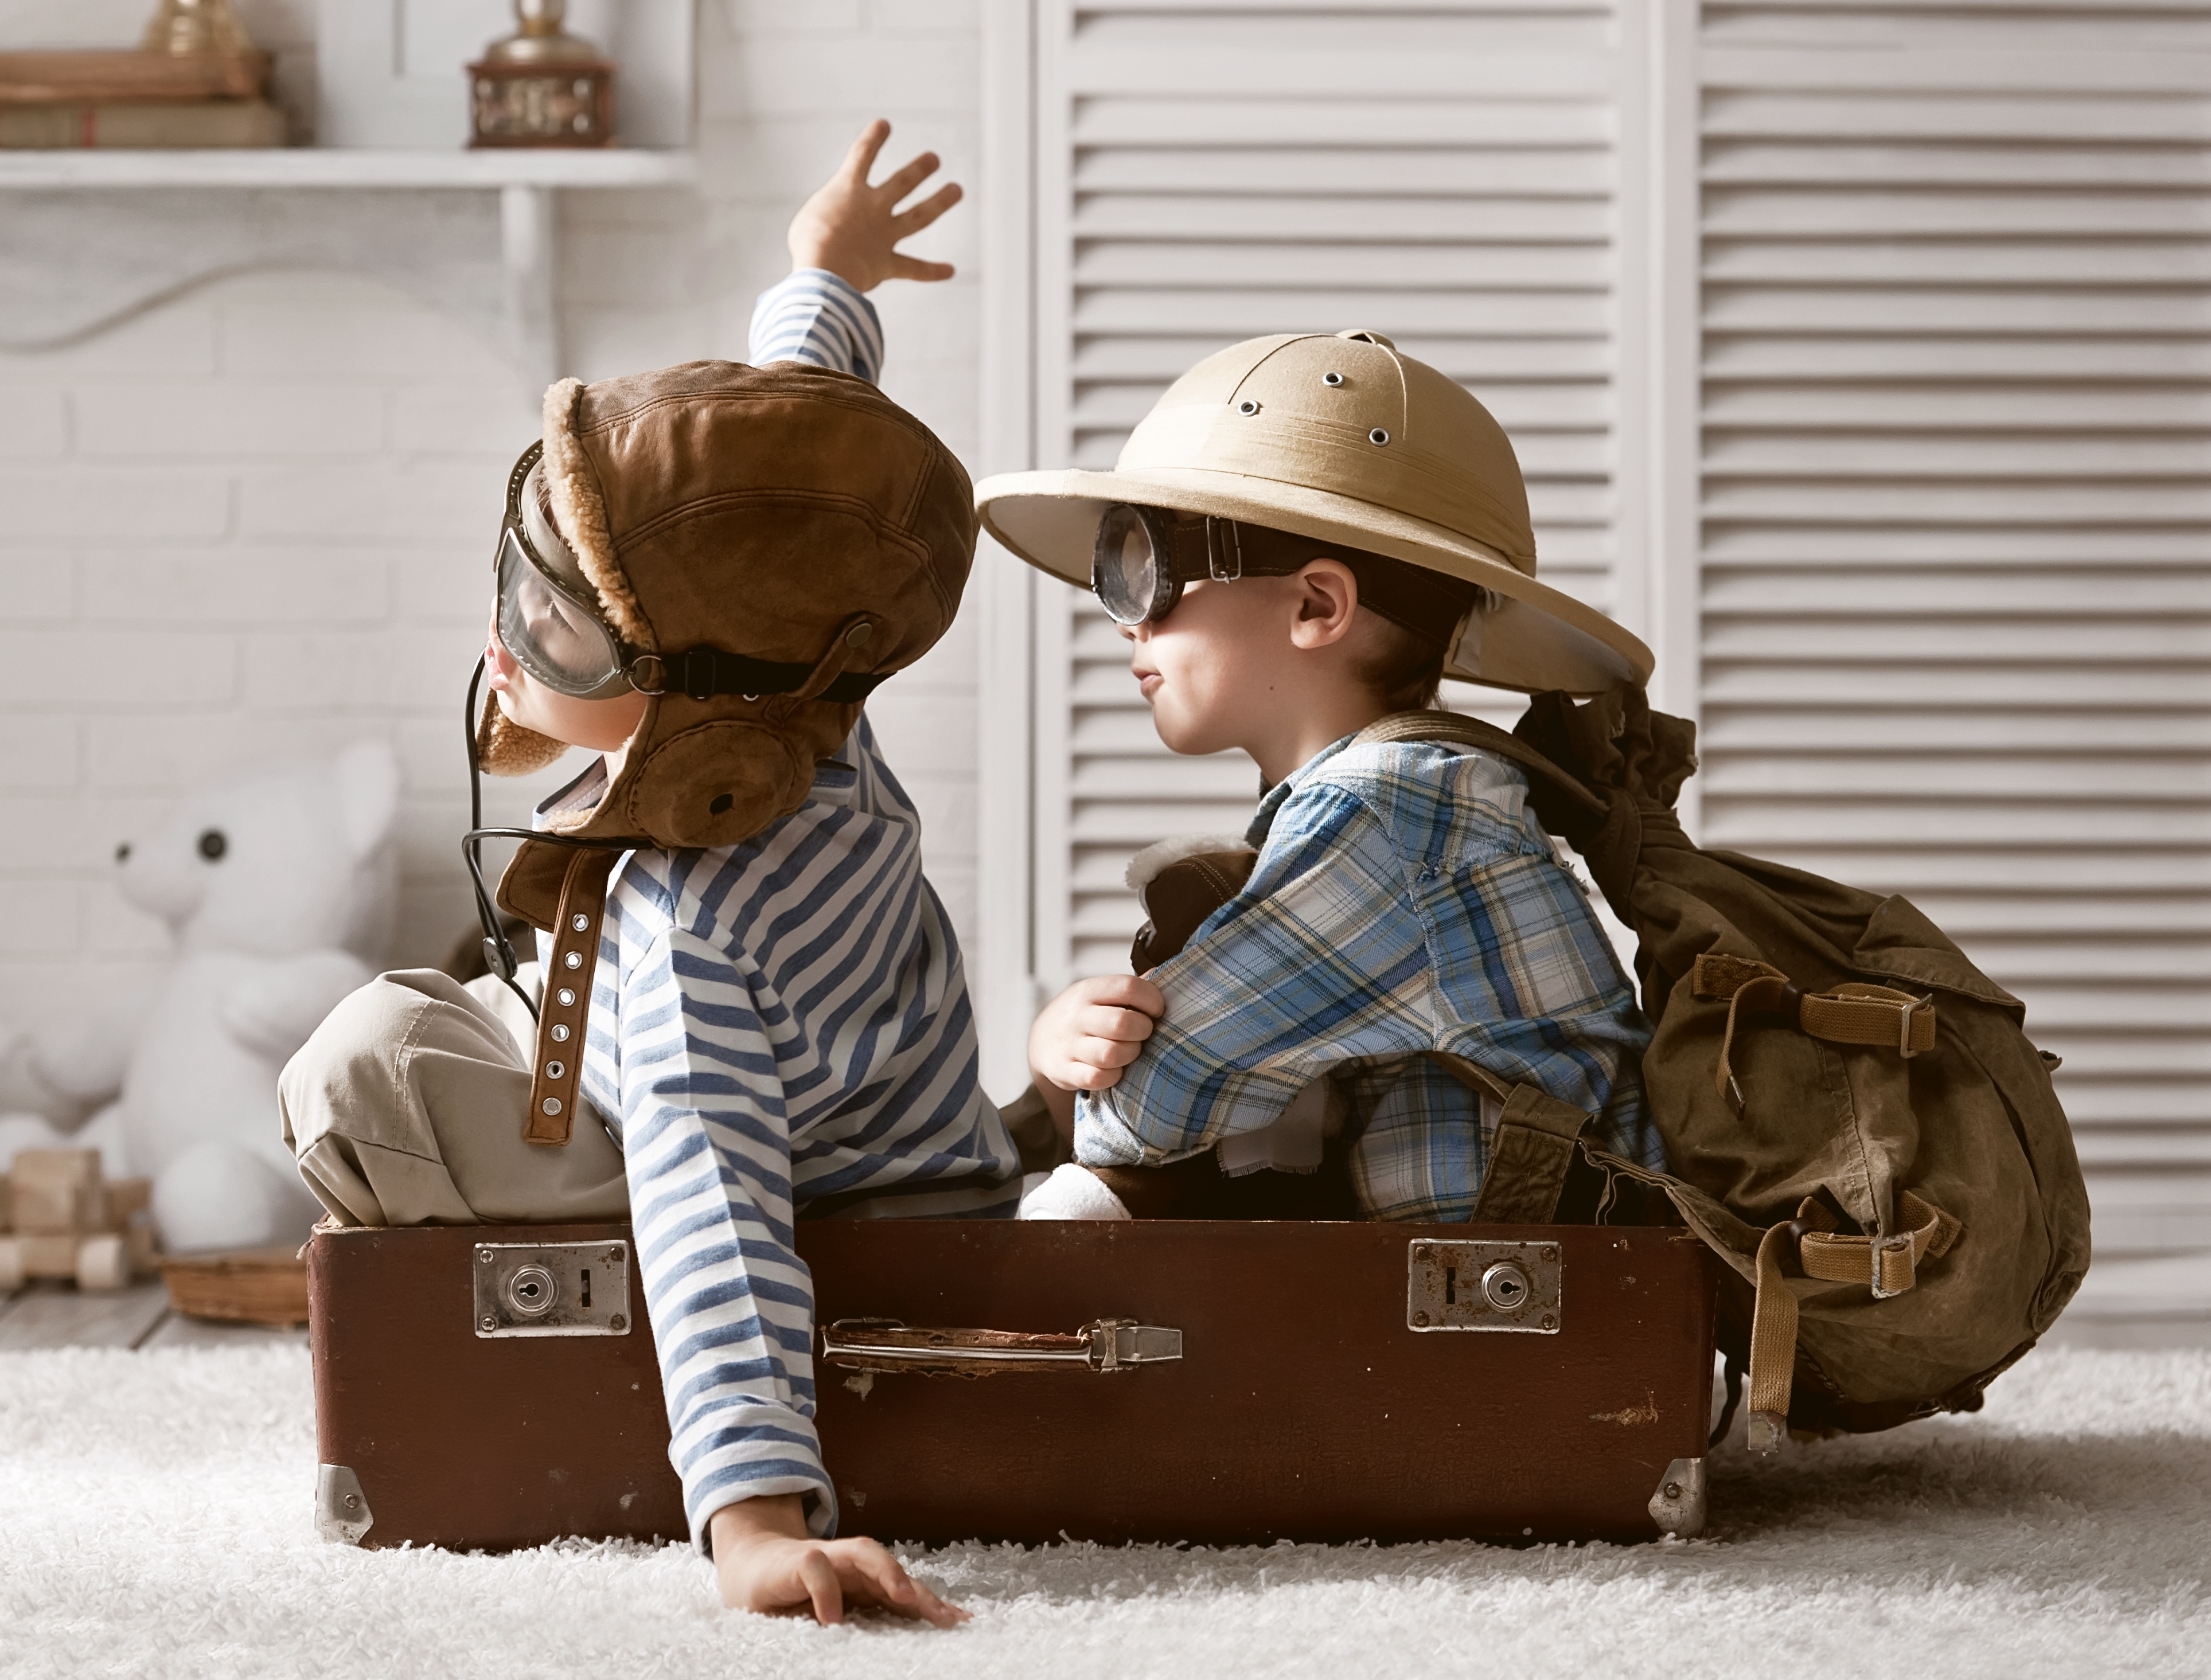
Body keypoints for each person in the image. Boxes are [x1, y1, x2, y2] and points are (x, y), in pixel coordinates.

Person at [280, 123, 1005, 1628]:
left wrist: (753, 1517)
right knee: (459, 997)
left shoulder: (692, 926)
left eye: (558, 635)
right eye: (514, 581)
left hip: (815, 1171)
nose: (506, 642)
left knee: (362, 1061)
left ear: (706, 709)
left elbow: (708, 1192)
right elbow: (804, 444)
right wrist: (829, 274)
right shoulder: (817, 691)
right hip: (859, 1103)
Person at [973, 330, 1664, 1221]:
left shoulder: (1383, 809)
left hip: (1546, 1332)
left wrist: (1049, 1047)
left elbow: (1144, 1115)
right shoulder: (1421, 789)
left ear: (1314, 605)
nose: (1127, 623)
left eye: (1149, 570)